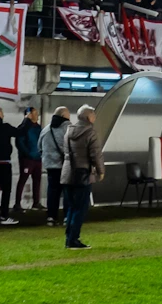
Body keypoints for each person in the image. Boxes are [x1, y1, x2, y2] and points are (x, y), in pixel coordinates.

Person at [61, 104, 103, 250]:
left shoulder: (68, 130)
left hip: (67, 173)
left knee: (72, 207)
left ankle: (69, 238)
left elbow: (65, 151)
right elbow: (95, 154)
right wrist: (100, 171)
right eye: (93, 114)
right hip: (82, 173)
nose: (95, 117)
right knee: (81, 208)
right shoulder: (90, 132)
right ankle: (73, 240)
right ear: (88, 117)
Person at [39, 106, 70, 226]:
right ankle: (67, 217)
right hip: (65, 165)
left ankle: (51, 217)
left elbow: (40, 147)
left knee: (52, 192)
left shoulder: (46, 129)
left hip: (50, 166)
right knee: (68, 191)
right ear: (63, 116)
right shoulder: (68, 128)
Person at [14, 107, 43, 213]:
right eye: (35, 113)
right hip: (27, 159)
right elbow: (20, 143)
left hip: (37, 159)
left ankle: (36, 202)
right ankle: (17, 203)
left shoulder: (39, 128)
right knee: (23, 179)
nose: (37, 115)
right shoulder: (23, 128)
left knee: (37, 180)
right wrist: (28, 154)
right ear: (29, 114)